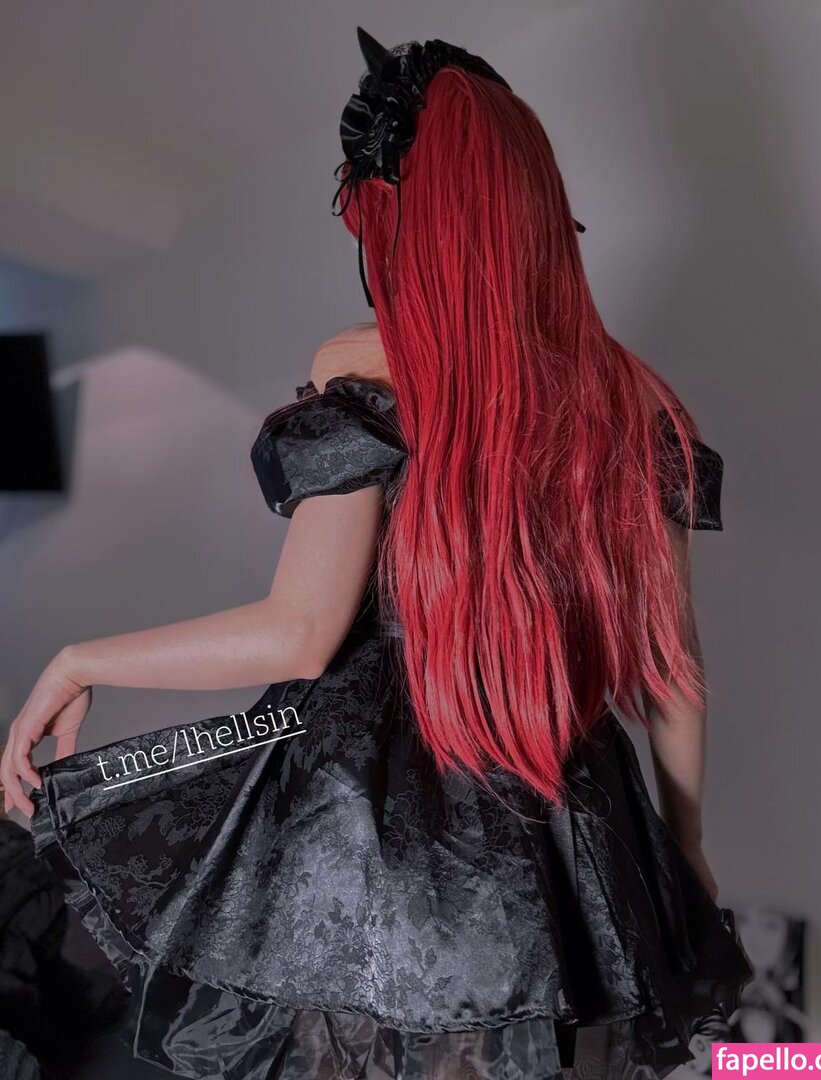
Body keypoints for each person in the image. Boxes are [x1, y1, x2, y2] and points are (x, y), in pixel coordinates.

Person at [1, 28, 753, 1080]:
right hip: (574, 836)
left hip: (374, 843)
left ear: (395, 211)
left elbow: (300, 635)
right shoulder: (633, 403)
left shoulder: (365, 368)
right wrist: (685, 849)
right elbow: (670, 670)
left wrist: (80, 659)